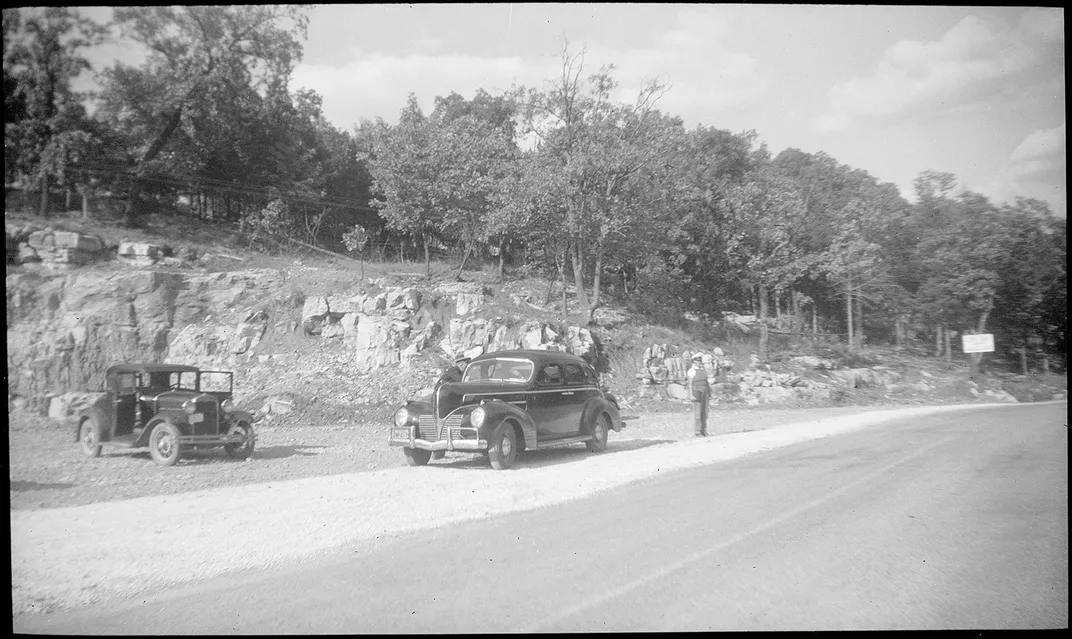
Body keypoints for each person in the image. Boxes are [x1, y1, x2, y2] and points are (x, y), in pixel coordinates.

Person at [686, 352, 710, 437]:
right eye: (698, 360)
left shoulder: (703, 370)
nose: (700, 362)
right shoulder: (691, 371)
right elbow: (690, 384)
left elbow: (706, 382)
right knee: (698, 413)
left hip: (705, 392)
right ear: (694, 361)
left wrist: (709, 393)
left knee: (705, 412)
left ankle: (704, 430)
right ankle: (698, 431)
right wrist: (691, 395)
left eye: (700, 360)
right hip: (697, 392)